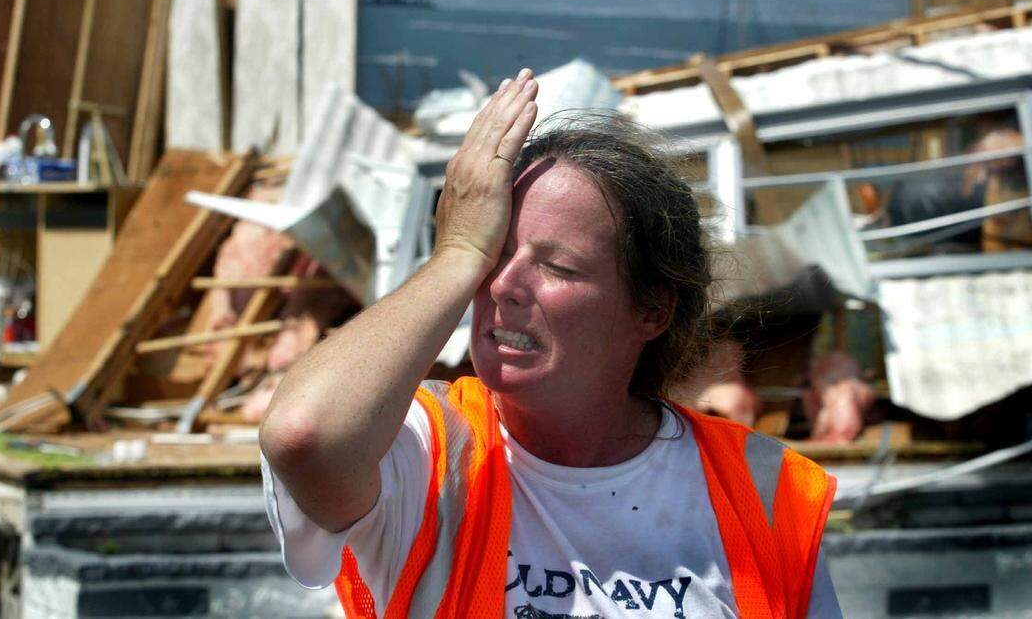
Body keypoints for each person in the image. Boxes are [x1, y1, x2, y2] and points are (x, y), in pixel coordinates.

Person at [260, 69, 841, 617]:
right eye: (495, 253)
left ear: (652, 310)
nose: (504, 285)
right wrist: (458, 252)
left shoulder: (768, 488)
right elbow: (302, 433)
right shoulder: (427, 455)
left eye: (557, 266)